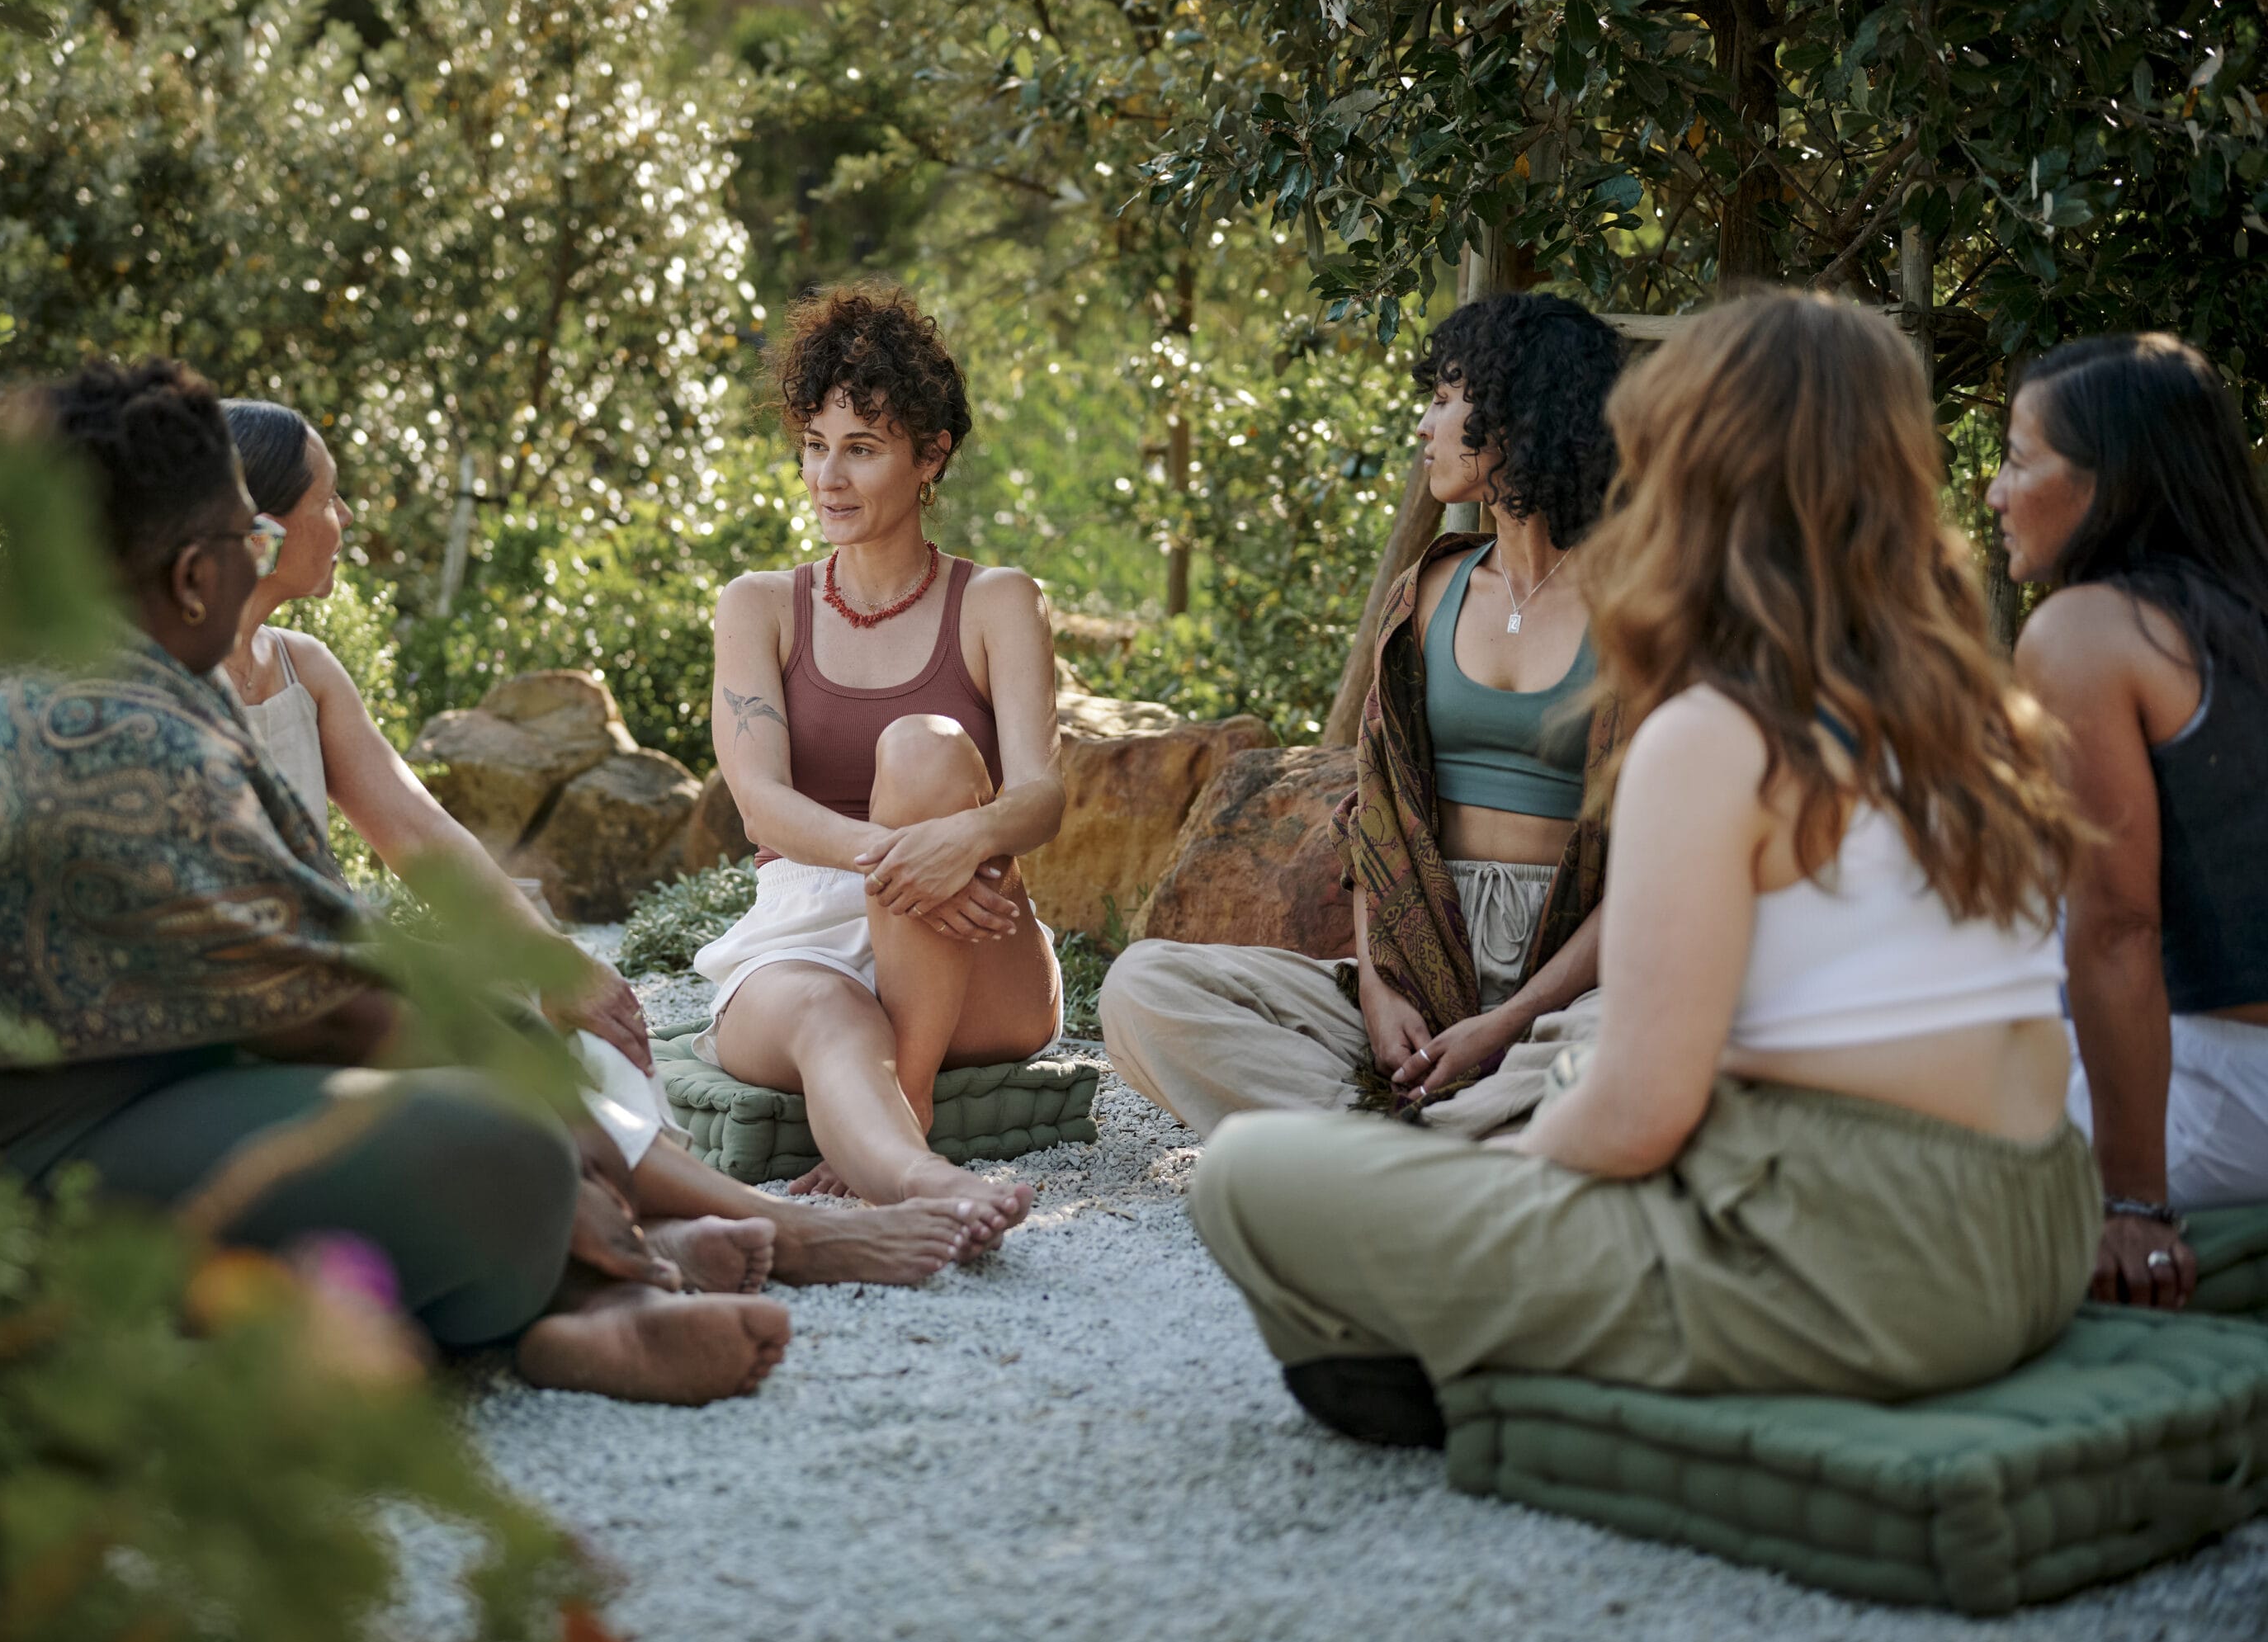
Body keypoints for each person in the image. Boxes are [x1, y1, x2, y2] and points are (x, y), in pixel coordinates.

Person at [1192, 290, 2096, 1446]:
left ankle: (1493, 1355)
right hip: (2041, 1227)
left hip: (1874, 1266)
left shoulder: (1718, 732)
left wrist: (1478, 1193)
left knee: (1253, 1180)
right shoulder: (1979, 707)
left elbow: (1635, 1116)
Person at [0, 356, 789, 1404]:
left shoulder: (135, 670)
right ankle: (601, 1280)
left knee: (507, 1049)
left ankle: (592, 1299)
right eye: (245, 539)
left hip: (142, 1077)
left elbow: (320, 942)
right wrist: (563, 1138)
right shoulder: (102, 720)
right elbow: (329, 1013)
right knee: (506, 1144)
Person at [215, 394, 1005, 1284]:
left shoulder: (305, 670)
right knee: (502, 1041)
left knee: (588, 1037)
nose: (348, 516)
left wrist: (561, 965)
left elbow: (425, 839)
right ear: (263, 533)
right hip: (273, 992)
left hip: (328, 978)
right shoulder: (167, 689)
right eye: (328, 498)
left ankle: (649, 1241)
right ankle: (786, 1231)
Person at [1100, 293, 1626, 1137]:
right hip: (1421, 956)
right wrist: (1380, 995)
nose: (1425, 424)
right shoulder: (1427, 592)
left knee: (1630, 1045)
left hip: (1571, 985)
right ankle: (1458, 1137)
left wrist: (1509, 1020)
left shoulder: (1644, 607)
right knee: (1143, 987)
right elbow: (1375, 819)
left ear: (1519, 411)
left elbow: (1655, 870)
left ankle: (1392, 1144)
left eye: (1447, 399)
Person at [697, 281, 1062, 1231]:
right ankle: (935, 1189)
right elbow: (761, 806)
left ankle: (910, 1084)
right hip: (808, 929)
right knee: (830, 1022)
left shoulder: (998, 603)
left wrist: (963, 837)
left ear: (930, 453)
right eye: (815, 447)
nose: (829, 478)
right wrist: (906, 856)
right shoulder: (759, 606)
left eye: (861, 449)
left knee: (925, 750)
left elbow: (1042, 799)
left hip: (976, 949)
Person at [1991, 333, 2268, 1310]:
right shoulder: (2235, 620)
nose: (1992, 493)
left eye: (2019, 460)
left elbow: (2116, 930)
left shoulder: (2086, 634)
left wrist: (2131, 1197)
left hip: (2218, 1099)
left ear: (2113, 483)